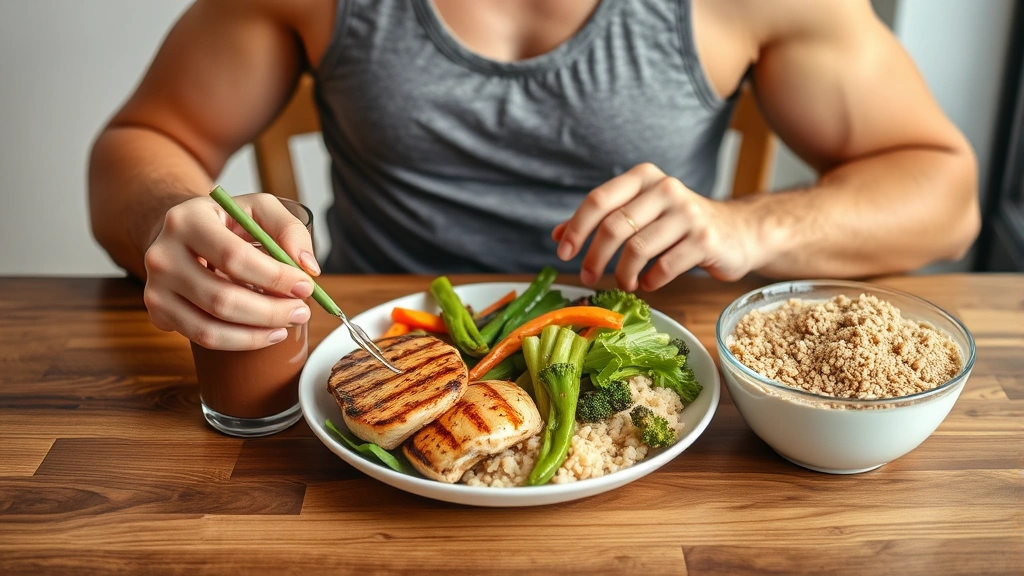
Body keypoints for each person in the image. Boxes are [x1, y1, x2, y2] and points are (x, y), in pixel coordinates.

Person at [89, 0, 979, 351]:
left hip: (646, 376)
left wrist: (750, 225)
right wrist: (174, 218)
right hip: (368, 355)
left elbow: (945, 194)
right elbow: (145, 139)